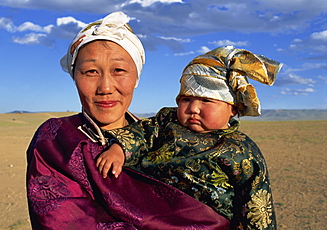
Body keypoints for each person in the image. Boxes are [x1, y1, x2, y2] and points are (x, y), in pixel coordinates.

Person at [26, 12, 230, 229]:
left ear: (136, 78)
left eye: (119, 71)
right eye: (90, 72)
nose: (105, 88)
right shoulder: (56, 139)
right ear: (75, 76)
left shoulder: (165, 136)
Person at [97, 46, 282, 230]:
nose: (193, 108)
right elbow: (141, 133)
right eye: (186, 99)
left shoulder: (241, 150)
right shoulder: (166, 122)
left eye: (206, 100)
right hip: (149, 215)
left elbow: (256, 204)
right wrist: (118, 149)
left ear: (233, 109)